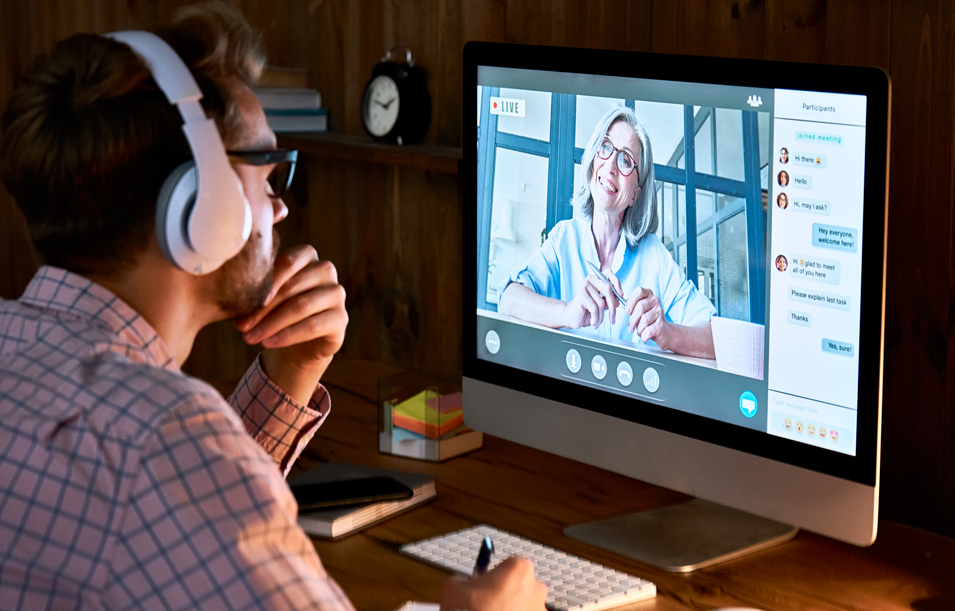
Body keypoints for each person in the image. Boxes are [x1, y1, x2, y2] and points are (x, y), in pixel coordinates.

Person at [0, 4, 546, 610]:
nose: (281, 208)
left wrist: (289, 376)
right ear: (203, 208)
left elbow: (179, 537)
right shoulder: (162, 438)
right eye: (267, 172)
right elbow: (166, 477)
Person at [498, 107, 716, 358]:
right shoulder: (563, 239)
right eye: (605, 147)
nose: (611, 165)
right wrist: (568, 312)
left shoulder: (655, 256)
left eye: (625, 160)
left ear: (636, 193)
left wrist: (669, 333)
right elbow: (509, 301)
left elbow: (715, 338)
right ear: (592, 161)